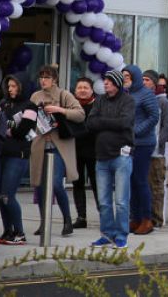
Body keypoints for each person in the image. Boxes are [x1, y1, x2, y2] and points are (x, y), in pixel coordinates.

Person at [29, 65, 86, 239]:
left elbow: (80, 114)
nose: (43, 80)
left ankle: (67, 220)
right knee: (39, 185)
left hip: (59, 146)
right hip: (40, 144)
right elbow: (29, 117)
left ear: (55, 79)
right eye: (41, 77)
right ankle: (43, 221)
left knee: (55, 183)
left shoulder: (64, 95)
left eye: (47, 77)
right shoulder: (35, 96)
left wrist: (61, 110)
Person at [86, 70, 135, 250]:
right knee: (104, 201)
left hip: (122, 155)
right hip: (101, 156)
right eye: (104, 80)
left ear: (117, 83)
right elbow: (90, 123)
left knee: (121, 201)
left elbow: (125, 123)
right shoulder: (99, 100)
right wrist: (109, 122)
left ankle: (121, 236)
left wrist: (102, 121)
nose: (105, 83)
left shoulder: (128, 101)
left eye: (108, 81)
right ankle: (106, 234)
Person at [121, 65, 159, 236]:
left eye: (128, 76)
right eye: (123, 76)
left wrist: (136, 131)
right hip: (128, 143)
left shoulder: (146, 94)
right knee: (130, 181)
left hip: (143, 143)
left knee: (140, 180)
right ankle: (135, 217)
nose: (125, 78)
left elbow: (154, 117)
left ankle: (146, 219)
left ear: (135, 77)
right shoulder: (125, 94)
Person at [0, 76, 34, 245]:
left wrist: (7, 129)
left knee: (7, 195)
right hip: (2, 153)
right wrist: (9, 129)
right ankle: (7, 231)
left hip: (18, 155)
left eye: (14, 86)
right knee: (1, 196)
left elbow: (23, 131)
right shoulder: (4, 103)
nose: (10, 89)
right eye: (9, 86)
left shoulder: (30, 106)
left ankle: (19, 232)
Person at [144, 70, 168, 228]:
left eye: (147, 79)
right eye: (142, 79)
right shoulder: (143, 99)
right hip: (143, 151)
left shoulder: (164, 102)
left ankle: (157, 219)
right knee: (144, 185)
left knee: (156, 186)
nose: (144, 82)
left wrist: (157, 142)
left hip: (156, 152)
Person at [68, 77, 98, 230]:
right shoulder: (71, 106)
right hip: (76, 150)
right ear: (75, 91)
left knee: (97, 184)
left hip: (94, 151)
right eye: (79, 87)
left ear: (92, 90)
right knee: (77, 183)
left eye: (86, 87)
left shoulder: (98, 104)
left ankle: (103, 215)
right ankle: (81, 217)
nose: (82, 90)